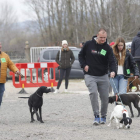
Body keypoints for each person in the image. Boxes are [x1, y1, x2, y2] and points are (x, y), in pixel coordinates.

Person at [78, 29, 117, 125]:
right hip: (90, 74)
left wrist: (113, 71)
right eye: (101, 37)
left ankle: (103, 116)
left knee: (105, 97)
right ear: (97, 36)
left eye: (104, 37)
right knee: (93, 93)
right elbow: (80, 56)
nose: (103, 39)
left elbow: (112, 61)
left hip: (103, 75)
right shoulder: (88, 44)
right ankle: (96, 116)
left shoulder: (108, 48)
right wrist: (84, 65)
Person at [0, 42, 21, 107]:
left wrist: (16, 70)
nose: (0, 46)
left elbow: (11, 64)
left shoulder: (5, 56)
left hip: (1, 81)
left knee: (0, 100)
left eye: (0, 45)